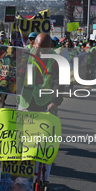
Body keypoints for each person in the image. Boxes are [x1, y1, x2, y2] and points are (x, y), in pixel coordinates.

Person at [17, 33, 64, 182]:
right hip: (25, 102)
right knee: (21, 140)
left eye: (45, 50)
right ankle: (21, 174)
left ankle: (43, 179)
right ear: (33, 45)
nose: (42, 53)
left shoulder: (56, 61)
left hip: (44, 105)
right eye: (39, 50)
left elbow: (59, 83)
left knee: (43, 145)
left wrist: (55, 101)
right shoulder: (23, 56)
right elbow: (13, 76)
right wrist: (2, 93)